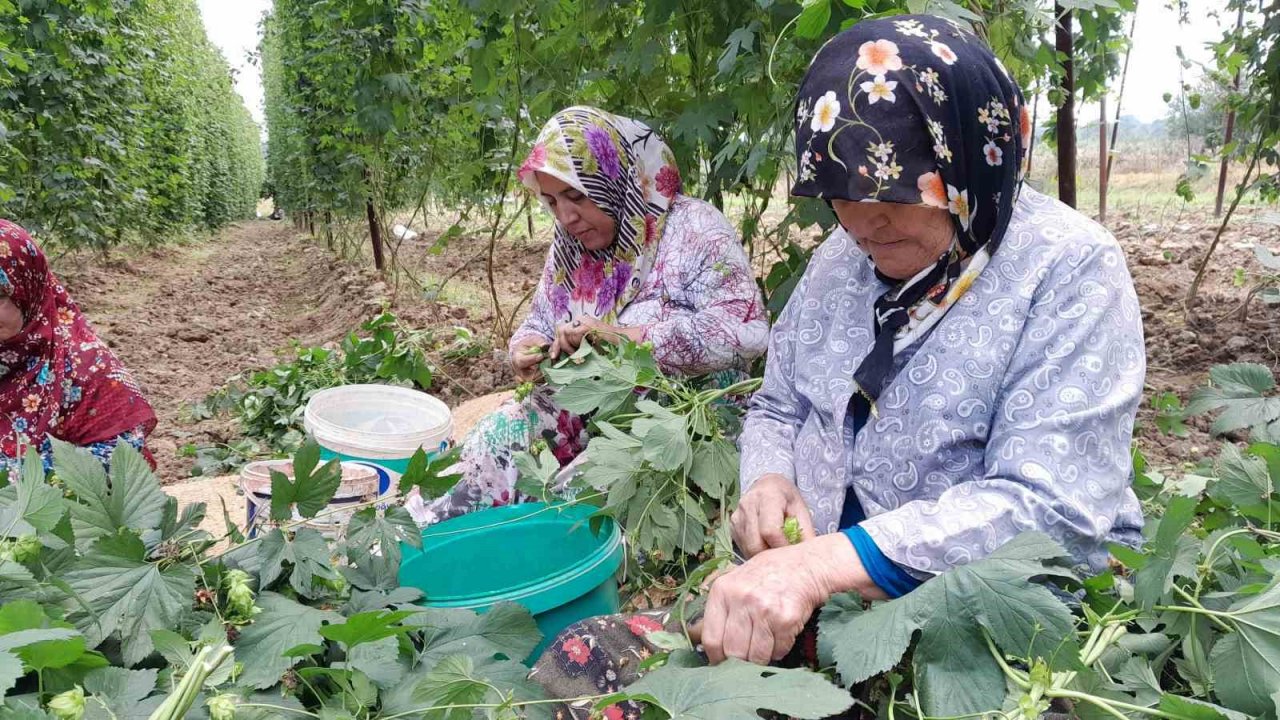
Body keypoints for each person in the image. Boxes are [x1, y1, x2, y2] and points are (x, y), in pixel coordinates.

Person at [531, 15, 1145, 715]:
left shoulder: (1068, 272)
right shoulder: (840, 260)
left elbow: (1052, 508)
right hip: (811, 605)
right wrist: (768, 477)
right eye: (838, 196)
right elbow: (777, 404)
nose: (861, 223)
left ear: (971, 160)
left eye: (891, 197)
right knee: (577, 664)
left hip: (969, 632)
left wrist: (823, 564)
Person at [404, 106, 769, 525]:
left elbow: (747, 333)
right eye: (552, 201)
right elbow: (539, 322)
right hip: (591, 404)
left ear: (615, 178)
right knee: (496, 437)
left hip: (678, 420)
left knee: (572, 500)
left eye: (577, 196)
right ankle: (420, 538)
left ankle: (528, 563)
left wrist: (626, 338)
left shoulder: (696, 230)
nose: (566, 217)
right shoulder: (570, 247)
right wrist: (526, 349)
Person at [0, 219, 157, 474]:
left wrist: (15, 478)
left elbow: (121, 461)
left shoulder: (89, 368)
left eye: (0, 295)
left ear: (29, 289)